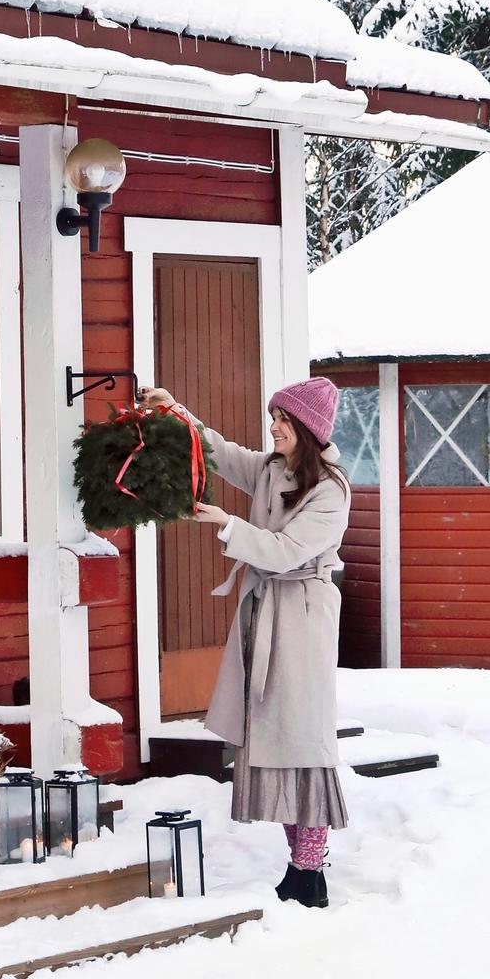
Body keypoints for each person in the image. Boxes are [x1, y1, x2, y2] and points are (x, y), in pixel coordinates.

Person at [141, 377, 350, 907]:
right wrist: (175, 413)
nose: (273, 426)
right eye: (272, 416)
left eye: (282, 419)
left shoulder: (331, 489)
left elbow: (284, 550)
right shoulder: (272, 469)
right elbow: (219, 451)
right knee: (270, 735)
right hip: (264, 610)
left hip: (301, 617)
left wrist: (228, 524)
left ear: (307, 427)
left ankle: (310, 869)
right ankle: (302, 870)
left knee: (301, 739)